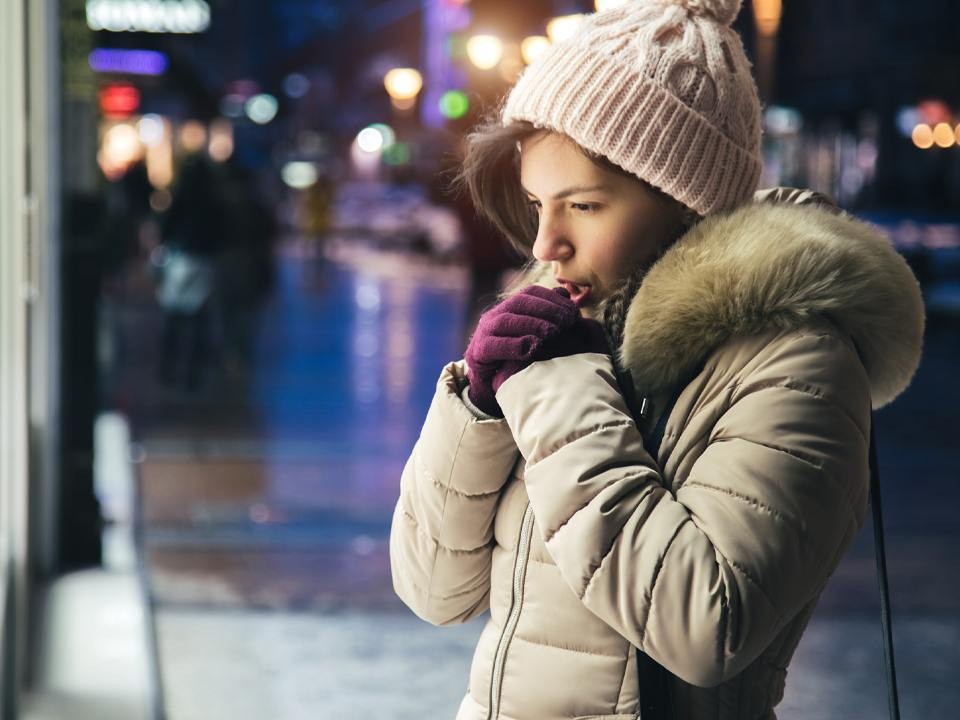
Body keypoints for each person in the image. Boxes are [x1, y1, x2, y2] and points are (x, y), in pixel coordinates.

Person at [389, 1, 925, 719]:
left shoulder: (798, 362)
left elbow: (706, 627)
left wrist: (556, 389)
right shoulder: (566, 327)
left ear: (682, 200)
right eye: (536, 203)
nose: (545, 244)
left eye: (582, 205)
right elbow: (434, 591)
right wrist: (479, 410)